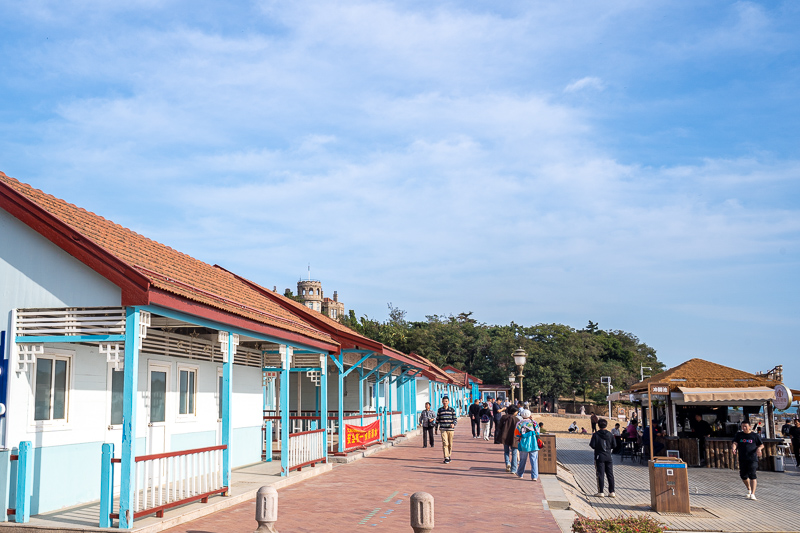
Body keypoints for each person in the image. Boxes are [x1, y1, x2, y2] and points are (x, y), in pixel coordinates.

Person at [732, 421, 764, 500]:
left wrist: (759, 449)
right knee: (743, 475)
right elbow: (735, 443)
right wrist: (734, 448)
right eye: (742, 426)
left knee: (752, 474)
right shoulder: (739, 435)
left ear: (750, 426)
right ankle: (749, 489)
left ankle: (753, 493)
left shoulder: (754, 435)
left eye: (745, 426)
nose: (744, 428)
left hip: (752, 458)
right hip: (743, 458)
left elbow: (761, 444)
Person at [589, 418, 616, 498]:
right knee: (610, 474)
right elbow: (614, 445)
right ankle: (612, 491)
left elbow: (592, 445)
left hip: (599, 456)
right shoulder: (610, 434)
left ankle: (601, 491)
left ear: (598, 425)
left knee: (600, 474)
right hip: (608, 456)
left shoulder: (596, 434)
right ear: (606, 425)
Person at [514, 410, 540, 481]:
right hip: (534, 443)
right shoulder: (534, 422)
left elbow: (516, 433)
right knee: (534, 460)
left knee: (522, 459)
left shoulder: (520, 423)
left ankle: (520, 473)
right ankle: (534, 476)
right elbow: (538, 431)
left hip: (524, 443)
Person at [435, 396, 457, 464]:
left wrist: (453, 424)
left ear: (448, 402)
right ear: (442, 402)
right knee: (445, 443)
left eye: (446, 401)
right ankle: (446, 457)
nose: (445, 403)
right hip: (443, 429)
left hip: (450, 429)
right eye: (444, 401)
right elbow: (437, 420)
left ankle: (449, 455)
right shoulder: (440, 410)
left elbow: (455, 419)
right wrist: (436, 428)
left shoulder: (452, 410)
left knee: (450, 443)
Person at [497, 406, 519, 473]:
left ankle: (508, 463)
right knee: (514, 453)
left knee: (506, 452)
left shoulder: (504, 417)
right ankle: (514, 469)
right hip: (514, 438)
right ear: (514, 412)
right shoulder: (516, 419)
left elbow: (499, 426)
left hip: (505, 437)